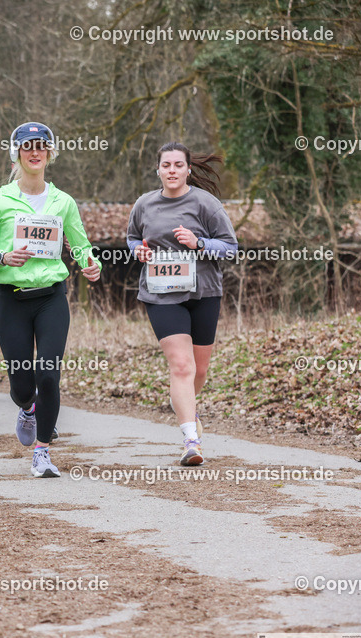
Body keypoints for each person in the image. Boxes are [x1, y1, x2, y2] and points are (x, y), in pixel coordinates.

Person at [0, 122, 101, 478]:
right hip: (12, 299)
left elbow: (80, 244)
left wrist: (92, 264)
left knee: (48, 374)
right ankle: (28, 408)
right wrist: (2, 257)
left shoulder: (63, 202)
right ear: (16, 153)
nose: (35, 152)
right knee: (22, 384)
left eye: (42, 146)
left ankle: (42, 452)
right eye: (28, 146)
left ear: (50, 153)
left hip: (51, 298)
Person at [127, 142, 237, 466]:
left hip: (204, 293)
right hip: (161, 295)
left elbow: (231, 247)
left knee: (198, 370)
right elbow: (133, 237)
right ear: (158, 170)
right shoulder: (144, 204)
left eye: (178, 165)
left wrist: (199, 242)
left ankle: (186, 403)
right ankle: (192, 441)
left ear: (188, 169)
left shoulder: (206, 203)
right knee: (181, 366)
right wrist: (138, 251)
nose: (172, 170)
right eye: (166, 165)